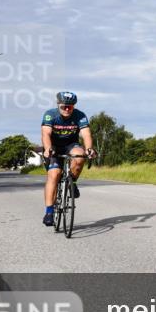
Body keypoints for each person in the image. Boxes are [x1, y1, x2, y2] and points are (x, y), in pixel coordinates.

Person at [40, 91, 96, 226]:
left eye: (70, 107)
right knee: (54, 174)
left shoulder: (80, 115)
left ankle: (73, 183)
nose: (67, 109)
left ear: (74, 106)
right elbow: (46, 134)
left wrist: (89, 149)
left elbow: (86, 134)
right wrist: (48, 149)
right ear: (58, 104)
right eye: (64, 106)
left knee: (80, 155)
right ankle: (49, 212)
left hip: (71, 145)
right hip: (53, 146)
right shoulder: (50, 114)